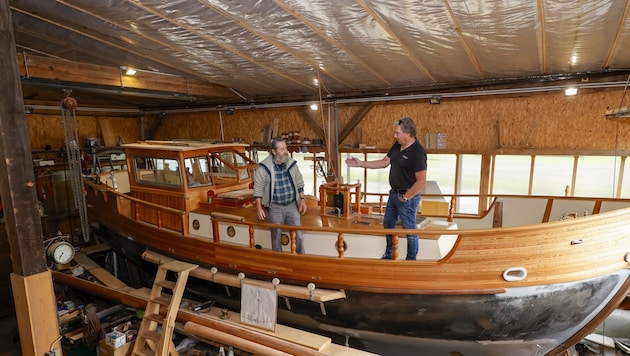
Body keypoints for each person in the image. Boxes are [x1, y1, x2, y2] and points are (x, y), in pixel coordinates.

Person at [346, 117, 427, 260]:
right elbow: (384, 162)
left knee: (410, 230)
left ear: (408, 133)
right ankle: (389, 254)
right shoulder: (397, 145)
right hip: (394, 194)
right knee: (388, 224)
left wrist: (406, 197)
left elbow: (421, 181)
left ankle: (411, 261)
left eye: (397, 133)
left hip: (407, 197)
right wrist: (360, 164)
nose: (394, 136)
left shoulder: (418, 152)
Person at [254, 138, 307, 254]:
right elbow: (258, 189)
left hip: (292, 205)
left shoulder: (292, 164)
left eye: (286, 148)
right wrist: (259, 207)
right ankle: (278, 262)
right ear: (274, 151)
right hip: (275, 207)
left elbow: (299, 182)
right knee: (276, 236)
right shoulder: (264, 168)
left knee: (299, 234)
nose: (285, 151)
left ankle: (301, 258)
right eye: (282, 149)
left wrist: (302, 200)